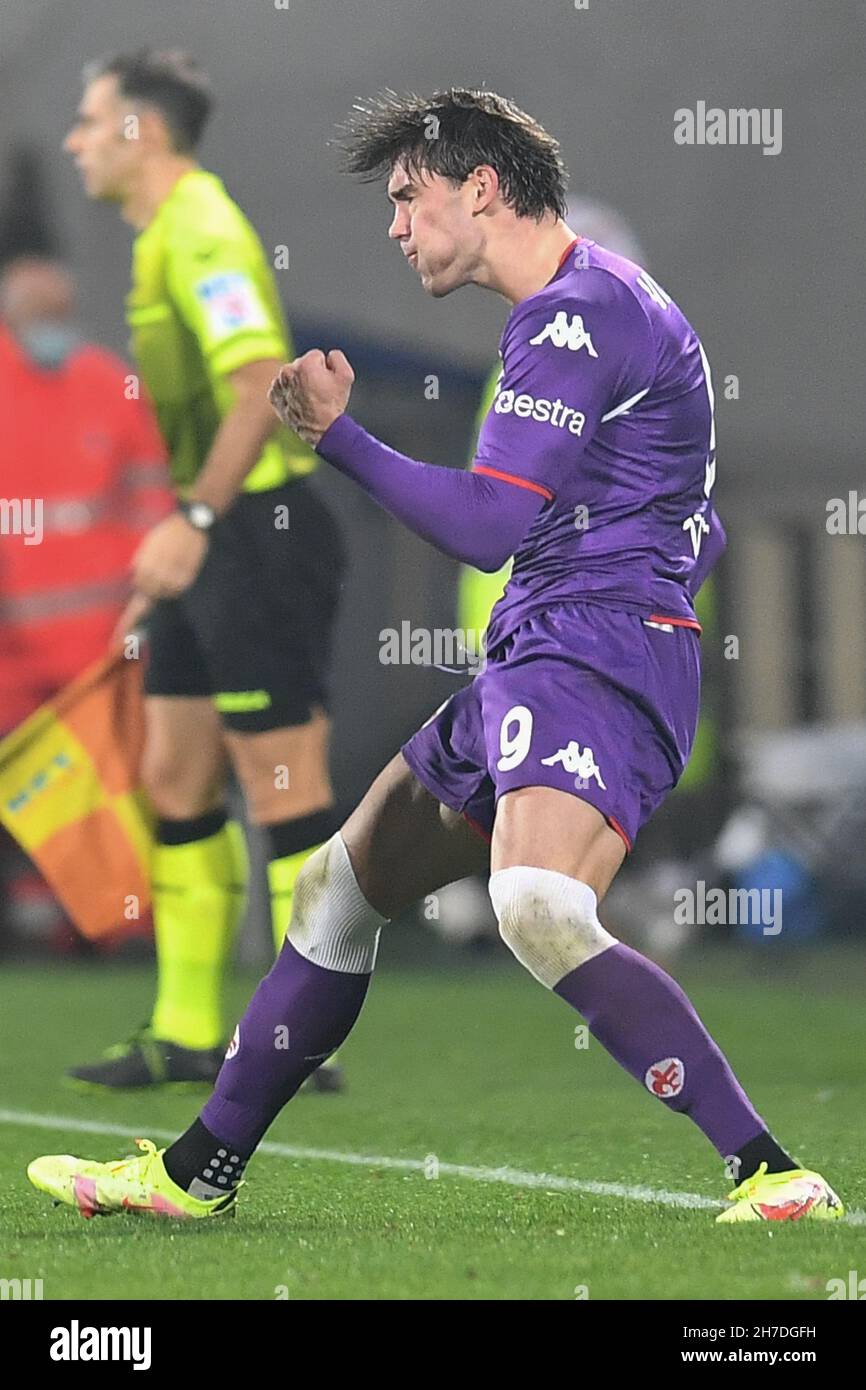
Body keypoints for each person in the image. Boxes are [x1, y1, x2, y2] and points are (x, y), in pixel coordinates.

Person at [28, 88, 841, 1224]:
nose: (396, 227)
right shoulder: (603, 309)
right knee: (334, 893)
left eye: (409, 198)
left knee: (535, 906)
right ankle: (192, 1172)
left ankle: (768, 1169)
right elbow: (688, 531)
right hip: (555, 650)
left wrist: (336, 435)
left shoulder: (573, 315)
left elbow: (484, 528)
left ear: (482, 187)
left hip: (584, 655)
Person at [59, 50, 346, 1090]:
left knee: (282, 782)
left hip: (258, 529)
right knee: (175, 775)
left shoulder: (203, 227)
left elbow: (256, 382)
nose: (75, 140)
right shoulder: (159, 238)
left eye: (90, 121)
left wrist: (190, 517)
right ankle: (185, 1032)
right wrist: (180, 537)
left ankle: (296, 1035)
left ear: (141, 130)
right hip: (215, 532)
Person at [0, 255, 170, 949]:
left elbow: (153, 499)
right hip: (11, 648)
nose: (52, 329)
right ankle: (38, 921)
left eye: (58, 314)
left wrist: (145, 596)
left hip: (99, 644)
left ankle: (117, 930)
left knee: (106, 793)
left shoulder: (110, 387)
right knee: (25, 787)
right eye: (39, 316)